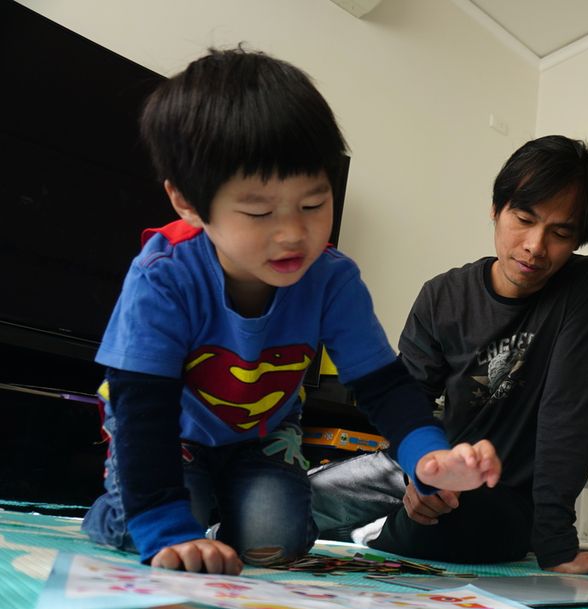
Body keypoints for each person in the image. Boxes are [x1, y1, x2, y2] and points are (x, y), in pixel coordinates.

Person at [81, 47, 500, 576]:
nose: (294, 234)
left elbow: (384, 385)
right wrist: (166, 529)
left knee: (274, 545)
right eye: (259, 211)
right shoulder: (164, 275)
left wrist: (430, 458)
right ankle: (113, 513)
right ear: (188, 202)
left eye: (313, 204)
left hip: (259, 438)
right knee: (159, 526)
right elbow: (143, 408)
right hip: (169, 433)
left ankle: (213, 512)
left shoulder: (332, 278)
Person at [311, 135, 588, 577]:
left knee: (444, 526)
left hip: (497, 495)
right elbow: (406, 406)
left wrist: (558, 547)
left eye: (561, 233)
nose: (535, 247)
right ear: (496, 208)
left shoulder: (585, 289)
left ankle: (372, 533)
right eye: (523, 219)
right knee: (275, 506)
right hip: (415, 468)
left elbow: (570, 417)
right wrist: (418, 475)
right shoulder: (442, 295)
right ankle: (374, 524)